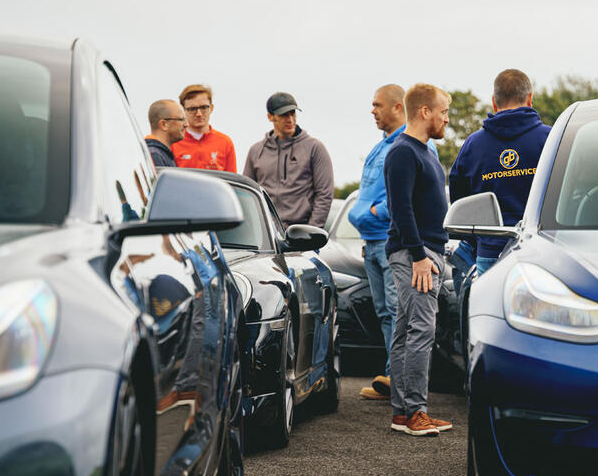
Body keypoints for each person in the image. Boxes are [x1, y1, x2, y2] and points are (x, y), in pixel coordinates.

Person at [349, 84, 437, 401]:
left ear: (398, 107)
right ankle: (391, 377)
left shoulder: (410, 146)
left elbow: (406, 199)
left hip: (394, 243)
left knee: (401, 312)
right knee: (386, 313)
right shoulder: (381, 146)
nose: (372, 111)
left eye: (377, 105)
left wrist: (374, 212)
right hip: (372, 243)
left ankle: (398, 385)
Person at [384, 83, 453, 437]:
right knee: (420, 332)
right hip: (416, 255)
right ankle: (415, 412)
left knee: (406, 330)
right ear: (424, 111)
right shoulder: (402, 152)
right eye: (443, 112)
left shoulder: (426, 152)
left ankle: (403, 412)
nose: (446, 119)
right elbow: (401, 209)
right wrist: (418, 257)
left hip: (428, 252)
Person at [448, 69, 551, 276]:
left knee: (489, 307)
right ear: (530, 98)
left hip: (489, 251)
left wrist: (478, 239)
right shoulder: (550, 139)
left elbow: (459, 202)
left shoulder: (472, 145)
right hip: (540, 250)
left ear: (494, 102)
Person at [243, 92, 334, 228]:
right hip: (266, 234)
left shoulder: (315, 148)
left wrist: (311, 232)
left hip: (301, 234)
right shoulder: (255, 151)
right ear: (270, 117)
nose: (290, 119)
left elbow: (324, 194)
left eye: (293, 114)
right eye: (284, 115)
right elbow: (247, 195)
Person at [172, 84, 237, 171]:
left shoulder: (225, 142)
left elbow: (232, 181)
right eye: (192, 109)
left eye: (203, 107)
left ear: (211, 108)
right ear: (183, 111)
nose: (199, 113)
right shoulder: (174, 142)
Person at [144, 99, 186, 167]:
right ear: (164, 124)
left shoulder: (160, 153)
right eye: (181, 119)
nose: (186, 124)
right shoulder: (155, 155)